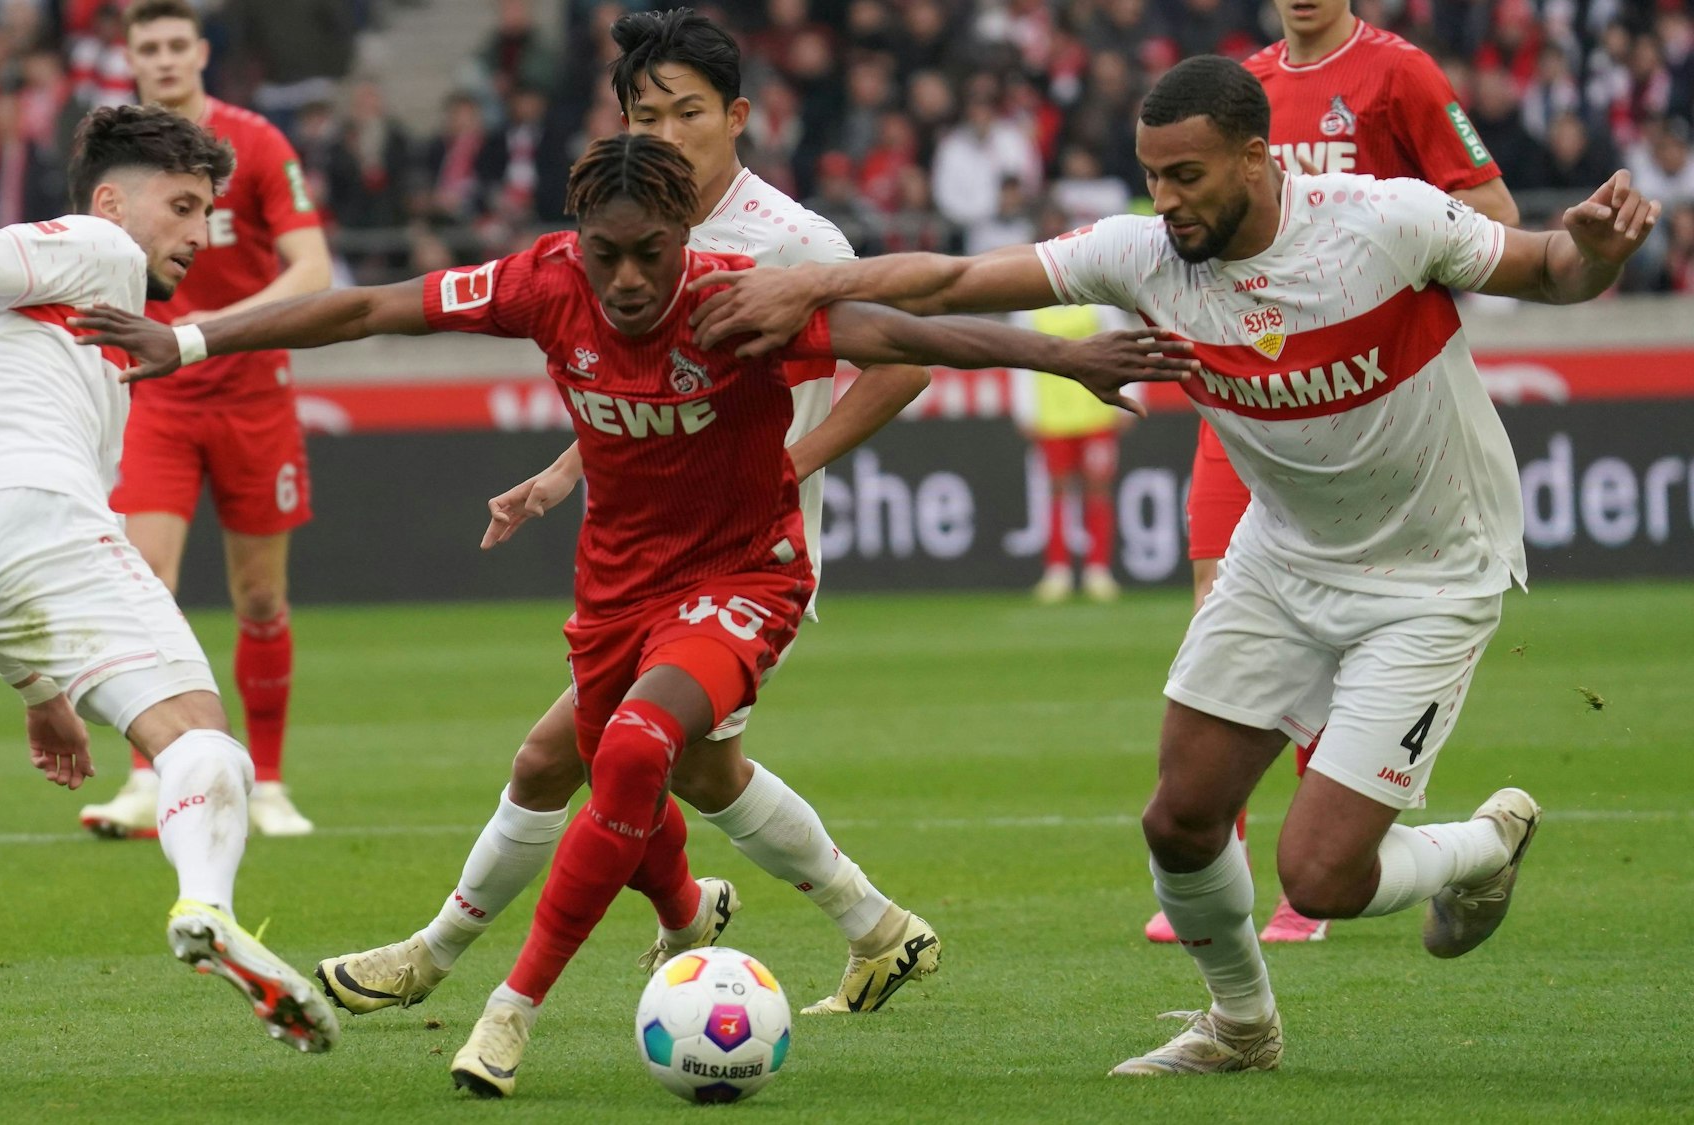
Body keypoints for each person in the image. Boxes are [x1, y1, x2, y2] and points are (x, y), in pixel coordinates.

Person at [72, 133, 1192, 1096]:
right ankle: (799, 918)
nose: (622, 279)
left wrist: (1065, 354)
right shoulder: (542, 282)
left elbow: (901, 337)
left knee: (640, 745)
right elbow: (367, 304)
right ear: (577, 238)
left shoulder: (731, 301)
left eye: (646, 253)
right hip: (616, 590)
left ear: (680, 234)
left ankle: (503, 1006)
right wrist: (192, 338)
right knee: (614, 769)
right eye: (603, 253)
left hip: (747, 577)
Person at [681, 53, 1661, 1076]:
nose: (1165, 199)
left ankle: (1481, 848)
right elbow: (958, 277)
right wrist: (812, 281)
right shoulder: (1141, 253)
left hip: (1428, 574)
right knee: (1180, 820)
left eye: (1186, 175)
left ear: (1255, 156)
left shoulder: (1384, 220)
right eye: (1151, 174)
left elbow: (1551, 272)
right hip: (1281, 557)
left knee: (1319, 875)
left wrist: (1588, 252)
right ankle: (1241, 1028)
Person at [315, 8, 952, 1023]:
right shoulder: (628, 229)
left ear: (736, 116)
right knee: (691, 770)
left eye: (685, 113)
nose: (663, 133)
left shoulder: (791, 241)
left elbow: (905, 363)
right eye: (644, 114)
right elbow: (649, 390)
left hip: (740, 559)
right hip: (652, 554)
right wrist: (561, 473)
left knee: (568, 757)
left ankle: (436, 957)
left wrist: (783, 469)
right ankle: (870, 927)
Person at [0, 105, 339, 1091]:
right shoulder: (101, 245)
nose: (200, 234)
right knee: (196, 734)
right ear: (110, 200)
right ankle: (205, 903)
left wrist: (38, 686)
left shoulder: (62, 324)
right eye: (184, 208)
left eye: (208, 212)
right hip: (21, 514)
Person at [1161, 0, 1529, 945]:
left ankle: (1314, 877)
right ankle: (1215, 866)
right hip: (1245, 383)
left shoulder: (1399, 75)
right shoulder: (1246, 89)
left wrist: (1367, 256)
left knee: (1343, 631)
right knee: (1222, 612)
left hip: (1354, 384)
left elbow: (1492, 216)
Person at [78, 0, 334, 841]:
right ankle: (149, 773)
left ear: (199, 51)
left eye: (175, 43)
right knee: (143, 580)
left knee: (260, 595)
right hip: (155, 393)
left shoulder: (255, 143)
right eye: (146, 46)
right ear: (131, 59)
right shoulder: (114, 162)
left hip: (251, 392)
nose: (162, 58)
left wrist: (203, 334)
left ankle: (268, 782)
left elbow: (314, 269)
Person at [1014, 304, 1133, 604]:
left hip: (1096, 412)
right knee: (1057, 491)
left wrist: (1129, 397)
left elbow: (1123, 347)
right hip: (1052, 416)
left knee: (1098, 489)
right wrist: (1025, 410)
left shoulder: (1098, 306)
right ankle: (1057, 571)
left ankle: (1098, 571)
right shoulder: (1029, 311)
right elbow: (1018, 362)